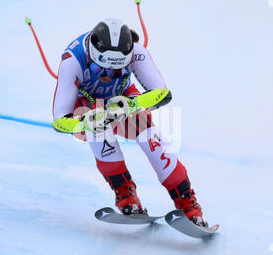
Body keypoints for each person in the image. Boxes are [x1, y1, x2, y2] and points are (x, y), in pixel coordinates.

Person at [52, 18, 207, 226]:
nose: (108, 75)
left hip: (124, 100)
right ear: (91, 56)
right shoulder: (71, 62)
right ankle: (124, 192)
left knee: (152, 141)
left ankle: (187, 201)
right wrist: (83, 122)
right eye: (101, 69)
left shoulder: (137, 51)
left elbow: (162, 93)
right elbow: (59, 121)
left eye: (117, 70)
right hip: (89, 105)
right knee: (100, 133)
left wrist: (131, 105)